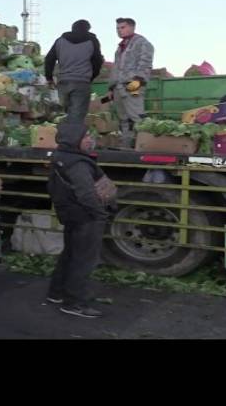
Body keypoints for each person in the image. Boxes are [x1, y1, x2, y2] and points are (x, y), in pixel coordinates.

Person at [46, 123, 115, 318]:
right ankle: (74, 303)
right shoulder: (78, 164)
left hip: (71, 214)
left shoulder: (62, 157)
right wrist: (100, 214)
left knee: (70, 254)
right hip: (86, 217)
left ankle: (56, 293)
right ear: (74, 140)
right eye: (86, 137)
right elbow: (86, 194)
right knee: (84, 260)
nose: (90, 140)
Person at [44, 19, 104, 123]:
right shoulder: (92, 41)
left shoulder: (60, 41)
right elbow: (97, 61)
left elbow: (49, 59)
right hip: (82, 83)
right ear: (87, 29)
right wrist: (91, 77)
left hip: (63, 83)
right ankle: (73, 137)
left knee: (61, 115)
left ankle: (57, 137)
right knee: (77, 116)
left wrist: (49, 78)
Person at [108, 18, 154, 148]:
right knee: (123, 119)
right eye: (117, 28)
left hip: (133, 85)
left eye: (122, 27)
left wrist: (138, 81)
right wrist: (111, 88)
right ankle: (126, 145)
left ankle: (144, 145)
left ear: (132, 27)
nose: (119, 31)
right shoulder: (120, 47)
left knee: (137, 117)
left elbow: (146, 63)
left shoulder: (142, 43)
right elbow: (115, 67)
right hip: (118, 86)